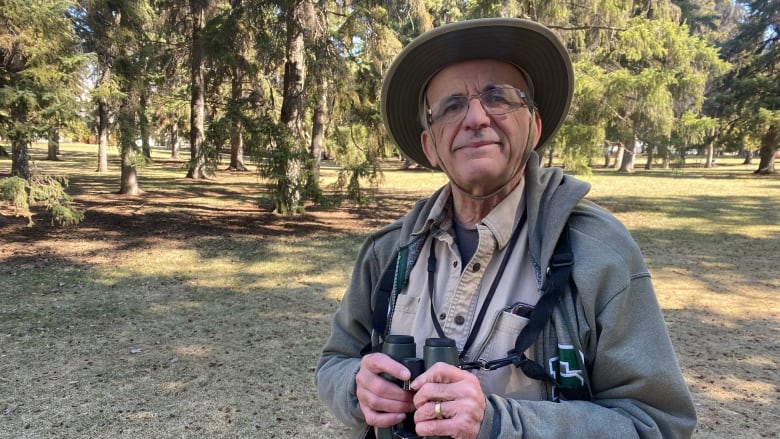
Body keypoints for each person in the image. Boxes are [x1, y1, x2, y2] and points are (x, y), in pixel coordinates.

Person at [315, 17, 696, 439]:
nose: (476, 117)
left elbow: (656, 424)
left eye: (498, 97)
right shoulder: (388, 253)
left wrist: (499, 423)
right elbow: (335, 361)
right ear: (431, 147)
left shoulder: (598, 253)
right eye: (452, 106)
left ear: (533, 128)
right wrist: (356, 386)